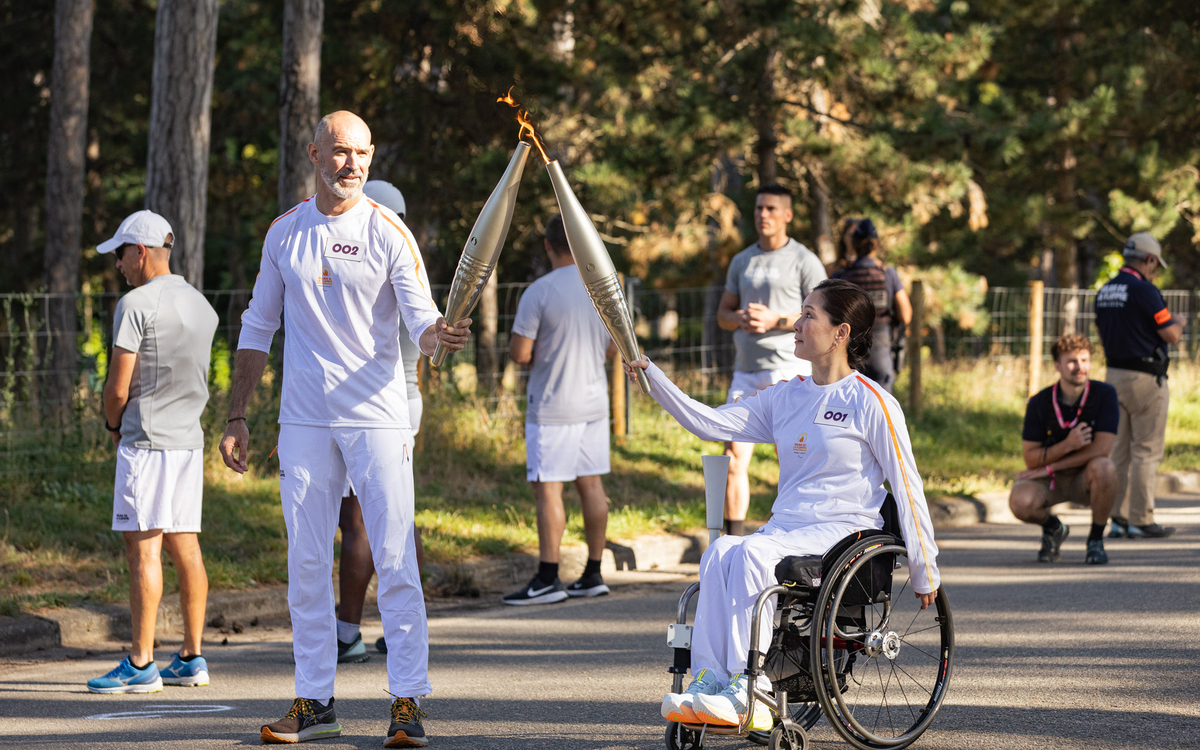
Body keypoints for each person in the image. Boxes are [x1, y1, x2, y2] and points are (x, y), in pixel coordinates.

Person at [219, 111, 471, 747]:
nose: (352, 163)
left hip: (377, 418)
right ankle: (314, 702)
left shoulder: (390, 231)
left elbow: (420, 319)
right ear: (314, 154)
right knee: (306, 563)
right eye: (339, 151)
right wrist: (236, 414)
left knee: (393, 557)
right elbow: (257, 328)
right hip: (304, 420)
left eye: (362, 152)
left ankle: (407, 702)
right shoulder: (285, 234)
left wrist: (438, 336)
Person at [628, 279, 940, 729]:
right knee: (718, 553)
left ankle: (748, 688)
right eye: (800, 313)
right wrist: (653, 378)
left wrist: (923, 566)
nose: (796, 324)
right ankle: (709, 682)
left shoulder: (873, 402)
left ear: (841, 333)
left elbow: (908, 485)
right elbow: (710, 422)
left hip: (843, 530)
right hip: (788, 527)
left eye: (809, 315)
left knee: (753, 553)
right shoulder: (784, 396)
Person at [88, 210, 218, 694]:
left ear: (140, 252)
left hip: (146, 442)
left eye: (120, 254)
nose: (118, 264)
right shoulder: (202, 305)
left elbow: (117, 387)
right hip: (188, 443)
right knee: (186, 548)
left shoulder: (135, 303)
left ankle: (141, 663)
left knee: (142, 550)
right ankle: (192, 655)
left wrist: (112, 424)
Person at [502, 215, 617, 605]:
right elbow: (614, 346)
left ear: (549, 246)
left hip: (552, 404)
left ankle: (548, 576)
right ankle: (593, 572)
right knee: (592, 484)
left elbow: (520, 353)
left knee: (548, 488)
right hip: (594, 401)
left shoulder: (540, 291)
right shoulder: (604, 286)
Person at [333, 180, 425, 663]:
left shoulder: (375, 258)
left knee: (359, 521)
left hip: (373, 406)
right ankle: (403, 624)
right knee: (399, 512)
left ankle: (347, 631)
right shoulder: (408, 257)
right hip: (406, 399)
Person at [716, 184, 827, 536]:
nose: (764, 215)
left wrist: (775, 320)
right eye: (759, 209)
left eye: (772, 209)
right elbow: (723, 314)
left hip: (789, 369)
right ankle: (732, 541)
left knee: (793, 460)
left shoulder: (804, 260)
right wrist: (740, 320)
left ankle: (797, 534)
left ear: (787, 215)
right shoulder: (742, 260)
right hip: (746, 372)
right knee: (733, 460)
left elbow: (825, 314)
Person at [1095, 233, 1184, 539]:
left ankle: (1117, 519)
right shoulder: (1145, 291)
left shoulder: (1105, 290)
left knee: (1118, 451)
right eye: (1155, 265)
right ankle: (1141, 519)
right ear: (1148, 259)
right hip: (1145, 379)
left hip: (1113, 377)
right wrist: (1180, 322)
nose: (1154, 270)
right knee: (1146, 450)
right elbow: (1169, 333)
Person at [1009, 334, 1119, 564]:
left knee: (1105, 467)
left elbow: (1102, 449)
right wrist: (1067, 444)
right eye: (1072, 361)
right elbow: (1031, 459)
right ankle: (1054, 528)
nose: (1079, 367)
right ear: (1057, 365)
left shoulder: (1105, 395)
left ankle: (1096, 540)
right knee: (1019, 500)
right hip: (1052, 480)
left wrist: (1049, 465)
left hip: (1083, 477)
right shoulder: (1039, 402)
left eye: (1084, 360)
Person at [831, 219, 911, 393]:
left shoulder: (840, 275)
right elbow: (906, 315)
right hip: (881, 351)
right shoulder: (887, 273)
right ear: (877, 245)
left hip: (849, 353)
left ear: (853, 244)